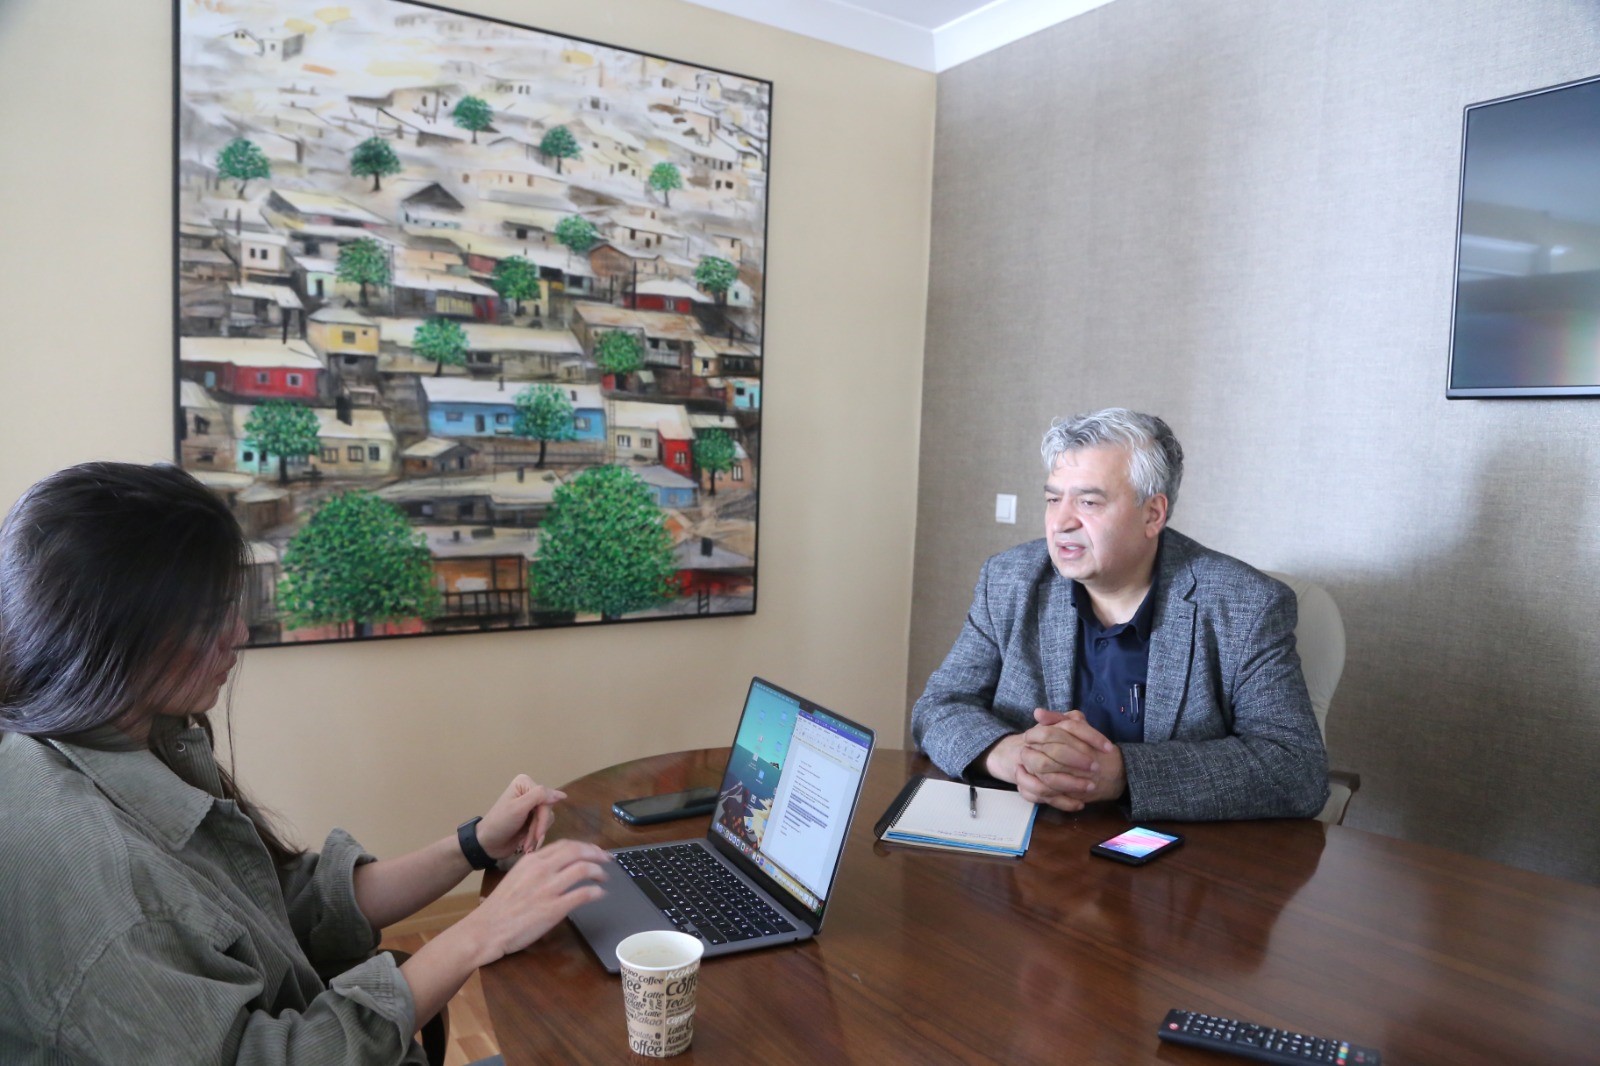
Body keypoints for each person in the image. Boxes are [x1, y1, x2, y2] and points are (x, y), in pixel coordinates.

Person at [0, 462, 611, 1064]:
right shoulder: (98, 877)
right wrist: (481, 932)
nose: (238, 633)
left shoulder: (126, 737)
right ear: (117, 630)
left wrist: (473, 844)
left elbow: (285, 905)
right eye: (210, 616)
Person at [911, 408, 1329, 821]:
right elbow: (938, 707)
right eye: (1053, 499)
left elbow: (1296, 769)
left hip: (1172, 852)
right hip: (1031, 839)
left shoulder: (1246, 605)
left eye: (1089, 502)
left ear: (1153, 514)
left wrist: (1124, 774)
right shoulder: (1009, 581)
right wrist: (1012, 756)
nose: (1060, 522)